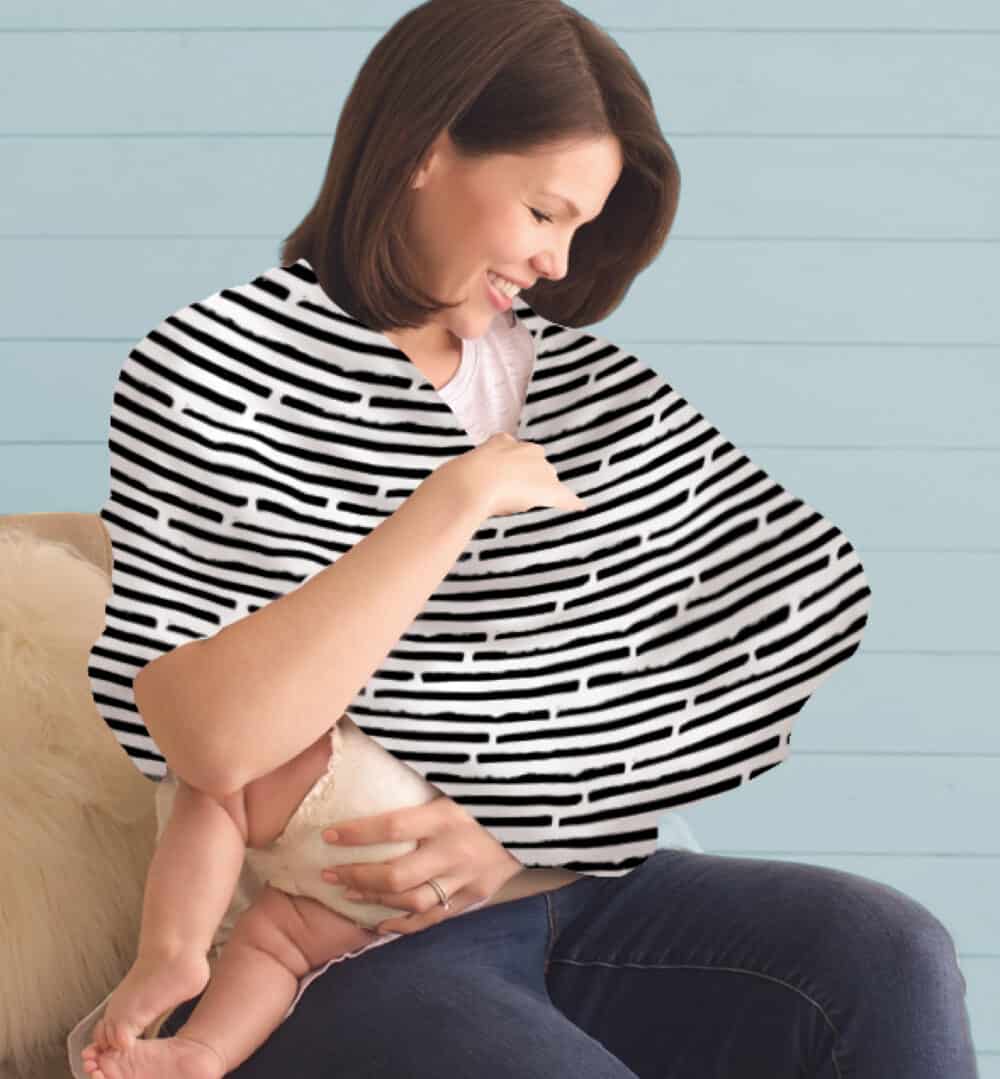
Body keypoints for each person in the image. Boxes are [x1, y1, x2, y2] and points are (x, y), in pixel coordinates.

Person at [73, 1, 979, 1076]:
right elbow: (210, 738)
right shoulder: (217, 366)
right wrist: (444, 504)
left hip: (577, 888)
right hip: (336, 939)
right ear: (422, 149)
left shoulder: (589, 388)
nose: (557, 261)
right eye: (544, 212)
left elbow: (785, 612)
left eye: (579, 230)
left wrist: (515, 824)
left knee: (884, 947)